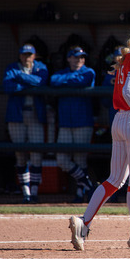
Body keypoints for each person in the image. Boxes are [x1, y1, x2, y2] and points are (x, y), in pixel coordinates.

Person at [69, 23, 130, 251]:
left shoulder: (127, 58)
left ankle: (83, 224)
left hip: (121, 121)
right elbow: (128, 92)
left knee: (115, 180)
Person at [3, 44, 49, 203]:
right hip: (17, 115)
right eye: (24, 54)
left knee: (36, 153)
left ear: (34, 56)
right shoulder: (12, 67)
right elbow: (8, 86)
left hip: (35, 114)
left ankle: (35, 192)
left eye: (29, 54)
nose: (26, 57)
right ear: (20, 55)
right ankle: (26, 193)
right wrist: (28, 82)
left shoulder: (40, 67)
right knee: (20, 154)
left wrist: (19, 77)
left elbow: (41, 81)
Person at [50, 46, 96, 203]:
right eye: (76, 57)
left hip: (83, 121)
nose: (79, 60)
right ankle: (89, 186)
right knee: (61, 159)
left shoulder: (89, 72)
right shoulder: (60, 73)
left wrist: (67, 82)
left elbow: (83, 80)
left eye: (82, 57)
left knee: (80, 159)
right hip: (65, 122)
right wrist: (69, 80)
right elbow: (53, 81)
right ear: (69, 58)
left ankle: (80, 193)